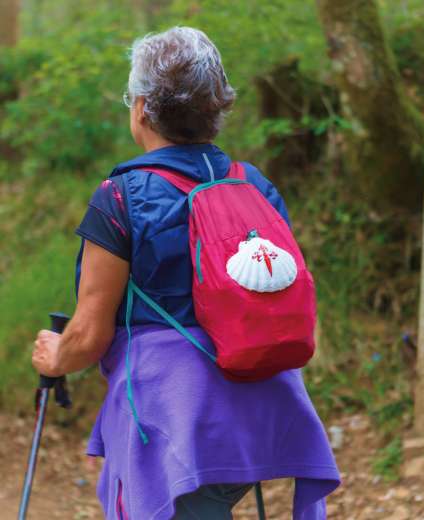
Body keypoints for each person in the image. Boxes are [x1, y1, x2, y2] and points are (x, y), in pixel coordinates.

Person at [32, 26, 340, 519]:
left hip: (178, 414)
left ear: (141, 108)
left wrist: (53, 357)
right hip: (270, 404)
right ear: (216, 107)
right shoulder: (254, 185)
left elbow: (88, 335)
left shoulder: (120, 197)